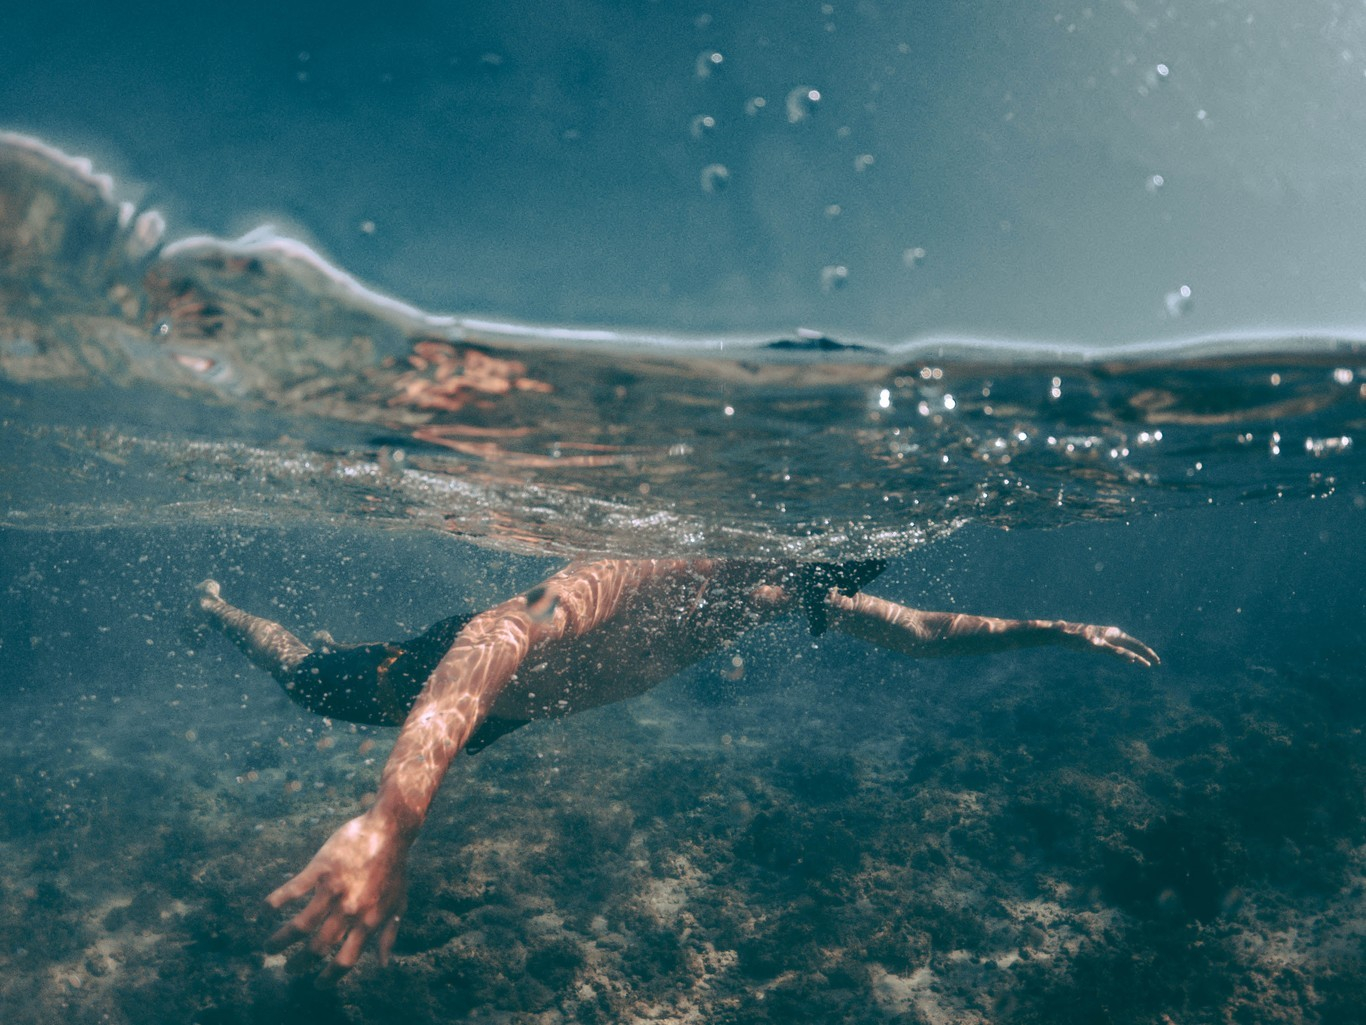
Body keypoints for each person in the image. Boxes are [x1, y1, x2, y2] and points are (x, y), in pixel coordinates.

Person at [195, 557, 1158, 977]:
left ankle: (272, 633)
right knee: (304, 677)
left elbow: (915, 634)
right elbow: (498, 633)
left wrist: (1059, 630)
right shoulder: (643, 569)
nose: (823, 587)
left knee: (330, 674)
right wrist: (390, 822)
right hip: (452, 684)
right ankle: (226, 612)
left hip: (504, 719)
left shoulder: (777, 582)